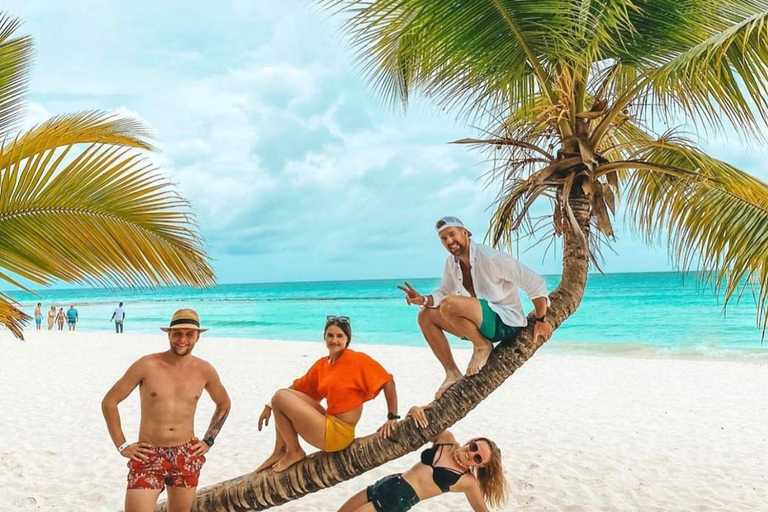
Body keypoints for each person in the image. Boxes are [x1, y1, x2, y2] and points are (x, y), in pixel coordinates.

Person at [399, 216, 553, 398]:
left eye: (452, 234)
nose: (449, 241)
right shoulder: (451, 263)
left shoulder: (491, 258)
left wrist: (541, 320)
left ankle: (482, 346)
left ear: (465, 233)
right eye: (443, 238)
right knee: (425, 315)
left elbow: (535, 283)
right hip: (479, 325)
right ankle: (452, 372)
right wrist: (423, 299)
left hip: (504, 323)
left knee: (449, 303)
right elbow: (443, 292)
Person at [101, 308, 231, 512]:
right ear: (169, 335)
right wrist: (122, 445)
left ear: (198, 337)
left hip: (186, 453)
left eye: (189, 334)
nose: (182, 339)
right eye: (177, 333)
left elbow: (224, 403)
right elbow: (110, 401)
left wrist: (208, 441)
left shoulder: (204, 370)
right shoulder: (147, 365)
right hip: (148, 453)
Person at [256, 315, 399, 473]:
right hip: (327, 422)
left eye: (339, 336)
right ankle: (280, 451)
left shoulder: (356, 360)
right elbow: (296, 389)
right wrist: (269, 406)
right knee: (281, 396)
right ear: (324, 337)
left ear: (347, 339)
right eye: (330, 335)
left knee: (280, 397)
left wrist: (392, 417)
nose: (334, 340)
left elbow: (387, 381)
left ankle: (294, 451)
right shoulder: (322, 365)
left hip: (338, 435)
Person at [338, 403, 507, 512]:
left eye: (477, 458)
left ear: (481, 466)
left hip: (398, 500)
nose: (471, 454)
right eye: (474, 447)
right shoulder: (446, 440)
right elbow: (415, 428)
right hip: (387, 482)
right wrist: (414, 410)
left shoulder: (467, 481)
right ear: (472, 441)